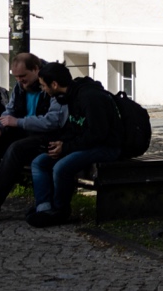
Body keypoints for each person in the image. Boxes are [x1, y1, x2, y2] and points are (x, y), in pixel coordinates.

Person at [0, 53, 67, 224]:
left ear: (36, 70)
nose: (20, 81)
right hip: (25, 131)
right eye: (16, 77)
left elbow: (53, 121)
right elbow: (11, 110)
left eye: (23, 76)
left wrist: (18, 122)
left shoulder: (51, 82)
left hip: (47, 137)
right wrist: (0, 128)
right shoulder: (21, 86)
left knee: (16, 149)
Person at [26, 61, 120, 227]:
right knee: (39, 162)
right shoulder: (70, 97)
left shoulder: (89, 98)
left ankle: (60, 211)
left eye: (43, 86)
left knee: (61, 167)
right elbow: (75, 128)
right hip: (85, 144)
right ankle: (44, 207)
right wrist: (60, 143)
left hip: (106, 147)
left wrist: (66, 147)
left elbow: (97, 134)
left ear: (54, 84)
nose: (43, 90)